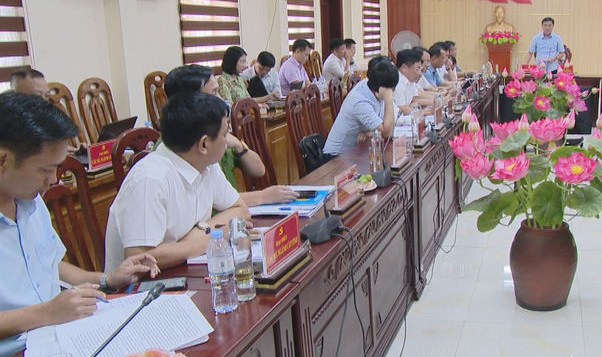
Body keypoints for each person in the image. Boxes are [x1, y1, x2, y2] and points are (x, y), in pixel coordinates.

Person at [0, 93, 159, 357]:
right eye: (44, 170)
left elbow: (51, 267)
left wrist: (105, 279)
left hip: (60, 338)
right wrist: (46, 313)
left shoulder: (31, 203)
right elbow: (47, 309)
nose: (52, 180)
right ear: (3, 160)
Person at [105, 91, 250, 271]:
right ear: (204, 144)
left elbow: (240, 210)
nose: (228, 139)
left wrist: (201, 231)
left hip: (183, 272)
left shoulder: (206, 165)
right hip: (142, 291)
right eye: (225, 133)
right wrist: (212, 237)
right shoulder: (150, 179)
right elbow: (139, 259)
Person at [163, 65, 296, 207]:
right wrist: (263, 196)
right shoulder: (178, 147)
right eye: (214, 93)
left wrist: (239, 146)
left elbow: (259, 170)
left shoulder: (217, 133)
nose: (221, 99)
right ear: (193, 100)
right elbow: (213, 203)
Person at [323, 56, 400, 157]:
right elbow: (387, 132)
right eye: (392, 89)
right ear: (384, 88)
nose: (393, 91)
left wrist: (370, 134)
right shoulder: (360, 101)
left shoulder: (373, 86)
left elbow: (393, 120)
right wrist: (389, 99)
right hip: (336, 157)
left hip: (359, 151)